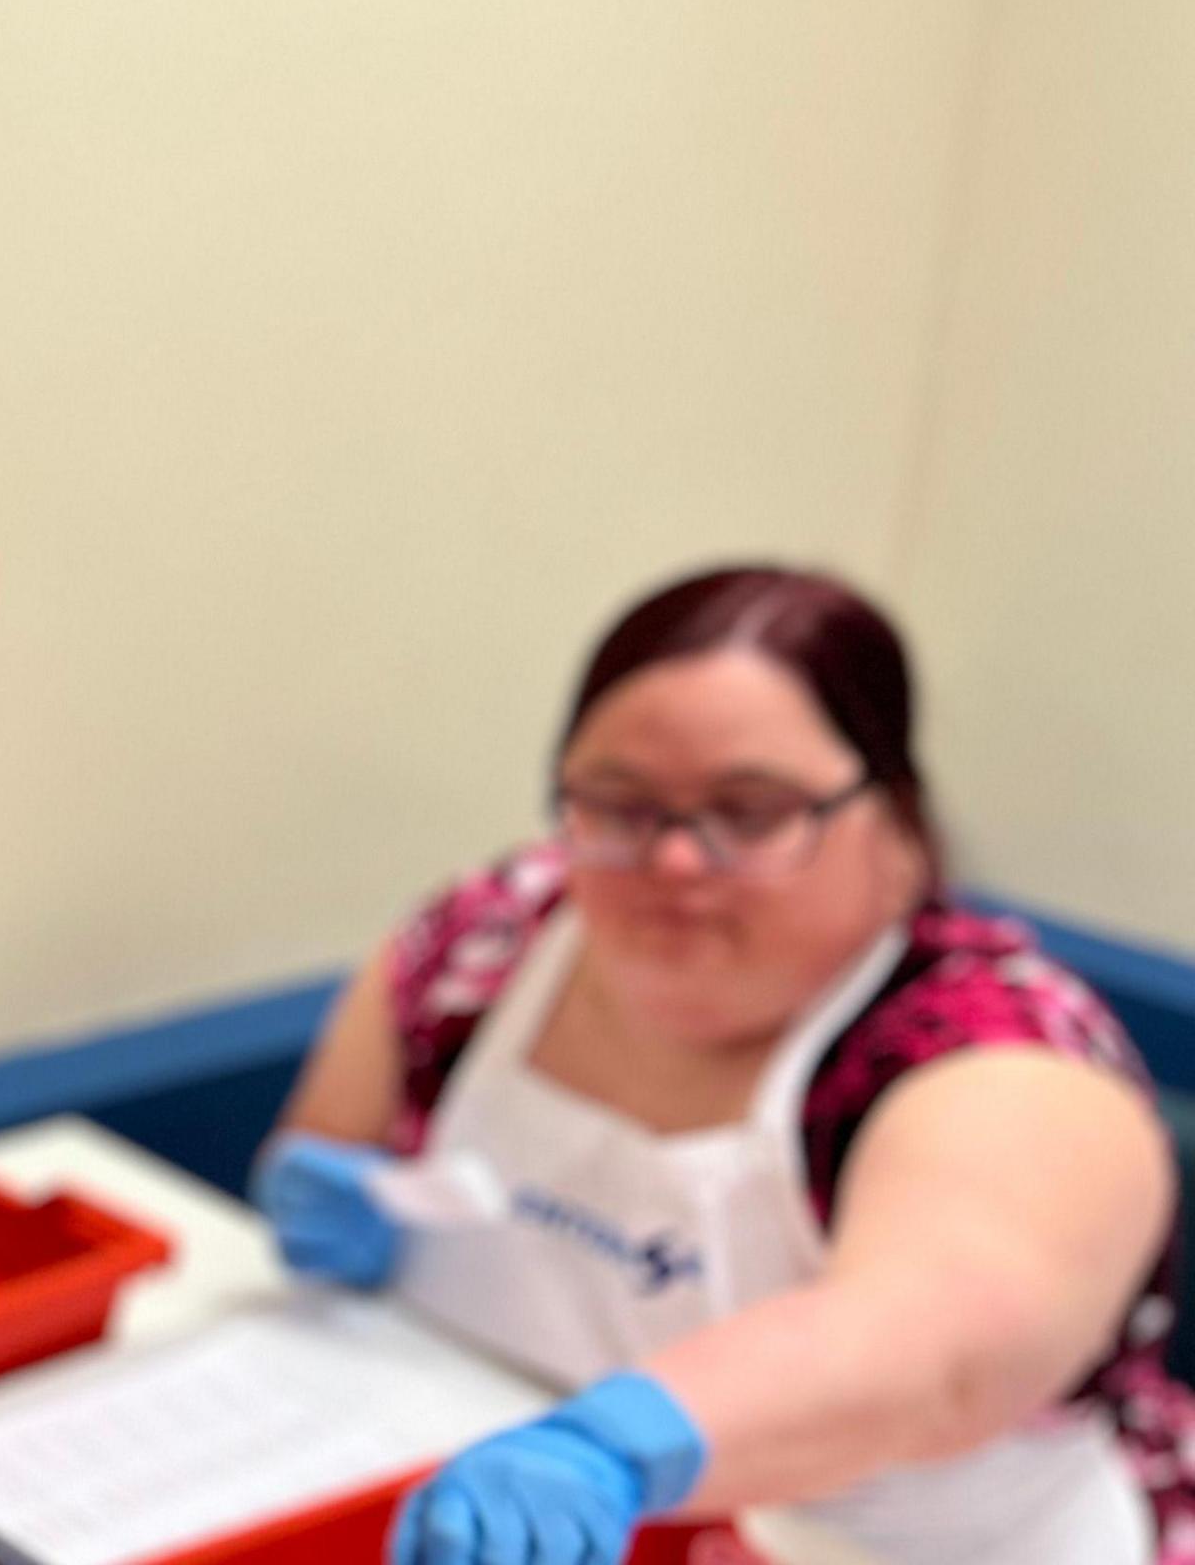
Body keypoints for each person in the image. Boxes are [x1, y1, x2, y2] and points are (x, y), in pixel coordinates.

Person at [259, 566, 1190, 1565]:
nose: (674, 865)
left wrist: (613, 1449)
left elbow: (933, 1359)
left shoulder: (996, 1048)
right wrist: (319, 1201)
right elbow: (325, 1144)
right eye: (618, 806)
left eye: (750, 813)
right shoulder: (479, 949)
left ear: (894, 826)